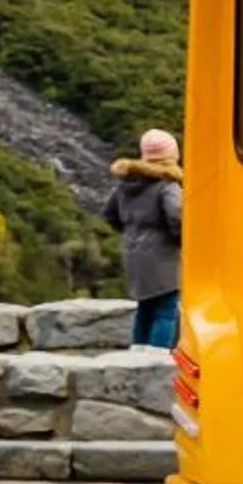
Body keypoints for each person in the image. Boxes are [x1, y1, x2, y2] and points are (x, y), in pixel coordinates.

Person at [103, 128, 184, 350]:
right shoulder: (167, 185)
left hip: (133, 254)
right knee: (166, 310)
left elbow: (109, 214)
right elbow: (178, 216)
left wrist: (130, 232)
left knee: (145, 308)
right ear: (171, 156)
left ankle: (137, 354)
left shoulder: (125, 184)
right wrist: (182, 239)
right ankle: (156, 358)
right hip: (163, 256)